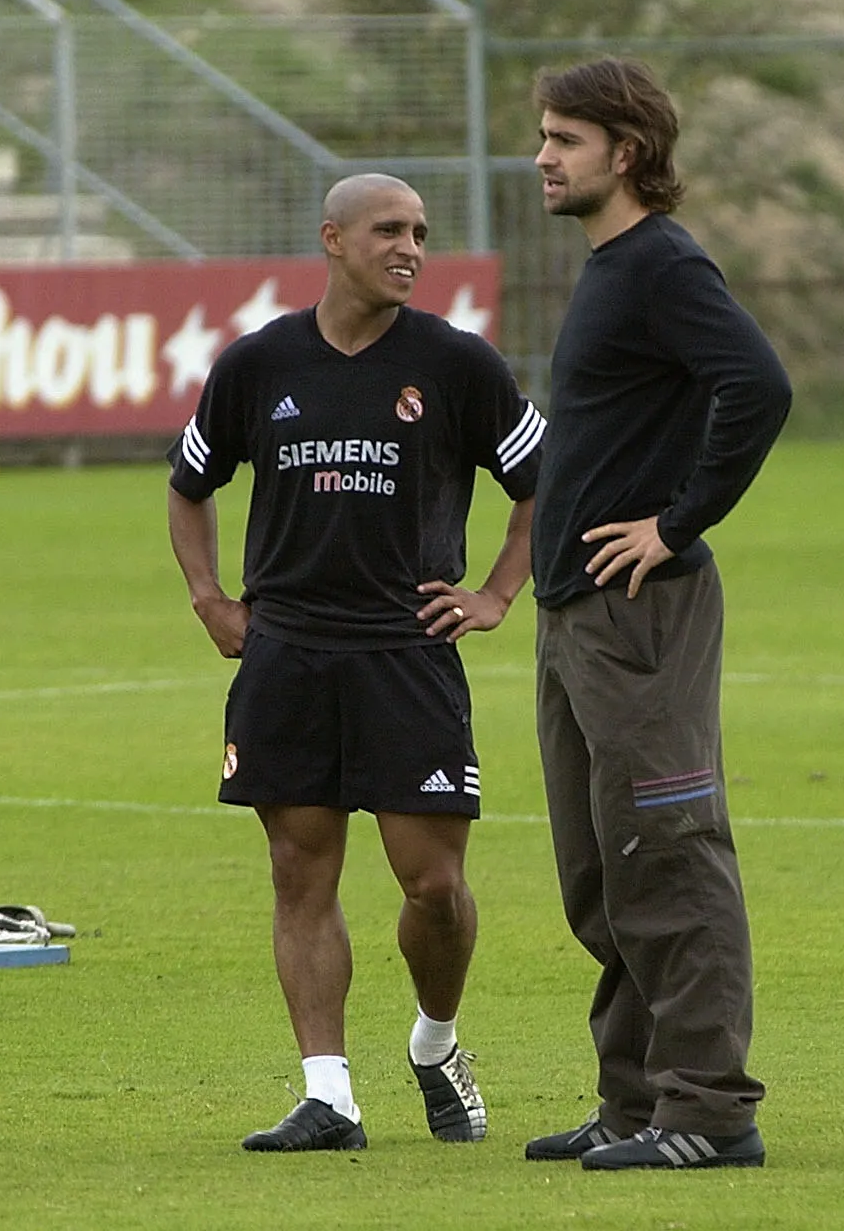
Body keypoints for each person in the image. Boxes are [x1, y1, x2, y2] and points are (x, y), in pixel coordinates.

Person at [167, 173, 545, 1152]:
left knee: (431, 887)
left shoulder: (455, 364)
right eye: (388, 230)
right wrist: (209, 596)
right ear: (331, 239)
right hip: (286, 654)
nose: (409, 247)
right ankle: (327, 1093)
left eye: (420, 232)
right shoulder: (257, 363)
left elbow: (544, 484)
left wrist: (498, 592)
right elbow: (189, 482)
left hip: (404, 653)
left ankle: (434, 1040)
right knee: (300, 871)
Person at [522, 58, 792, 1171]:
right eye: (542, 136)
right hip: (575, 615)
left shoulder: (660, 264)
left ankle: (707, 1111)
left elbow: (757, 385)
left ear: (624, 153)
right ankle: (632, 1101)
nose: (542, 156)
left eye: (564, 139)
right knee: (600, 869)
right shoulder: (609, 270)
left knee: (667, 855)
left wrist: (674, 525)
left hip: (638, 614)